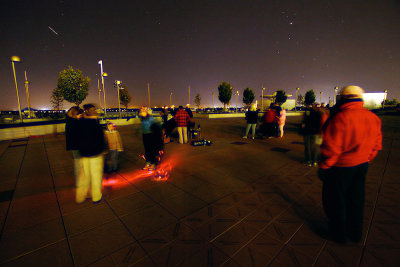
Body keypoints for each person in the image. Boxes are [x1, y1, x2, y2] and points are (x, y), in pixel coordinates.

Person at [318, 85, 382, 243]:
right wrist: (365, 158)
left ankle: (338, 234)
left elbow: (332, 148)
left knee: (335, 202)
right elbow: (377, 145)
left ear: (344, 98)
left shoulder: (341, 118)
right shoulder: (373, 117)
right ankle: (355, 233)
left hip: (340, 167)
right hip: (361, 165)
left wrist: (325, 166)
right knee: (356, 200)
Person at [76, 104, 105, 204]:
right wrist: (103, 149)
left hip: (84, 153)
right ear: (87, 111)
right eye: (93, 110)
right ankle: (96, 196)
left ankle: (81, 196)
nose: (95, 111)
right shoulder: (95, 123)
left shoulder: (79, 123)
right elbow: (100, 139)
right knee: (96, 175)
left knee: (84, 176)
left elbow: (76, 139)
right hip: (95, 154)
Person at [65, 106, 84, 186]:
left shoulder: (70, 121)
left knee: (78, 164)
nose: (81, 116)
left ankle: (79, 182)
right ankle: (80, 183)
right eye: (79, 114)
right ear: (75, 114)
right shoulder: (74, 122)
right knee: (79, 164)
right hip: (77, 146)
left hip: (74, 146)